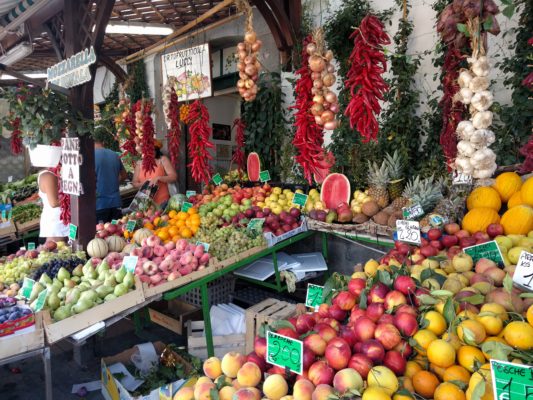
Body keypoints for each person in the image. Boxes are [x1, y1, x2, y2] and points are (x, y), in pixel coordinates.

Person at [94, 128, 127, 223]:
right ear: (103, 142)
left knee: (102, 233)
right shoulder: (114, 155)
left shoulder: (90, 157)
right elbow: (124, 175)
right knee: (117, 232)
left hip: (99, 205)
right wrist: (112, 182)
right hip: (116, 203)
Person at [132, 140, 177, 206]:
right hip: (145, 203)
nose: (149, 153)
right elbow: (134, 183)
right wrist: (146, 184)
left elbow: (174, 177)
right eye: (147, 150)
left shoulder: (163, 160)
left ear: (156, 150)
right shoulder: (139, 164)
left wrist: (159, 178)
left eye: (152, 150)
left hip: (163, 201)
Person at [38, 169, 69, 241]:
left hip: (65, 221)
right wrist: (75, 201)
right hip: (57, 224)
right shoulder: (48, 175)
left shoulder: (55, 173)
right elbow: (54, 203)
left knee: (70, 248)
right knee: (59, 250)